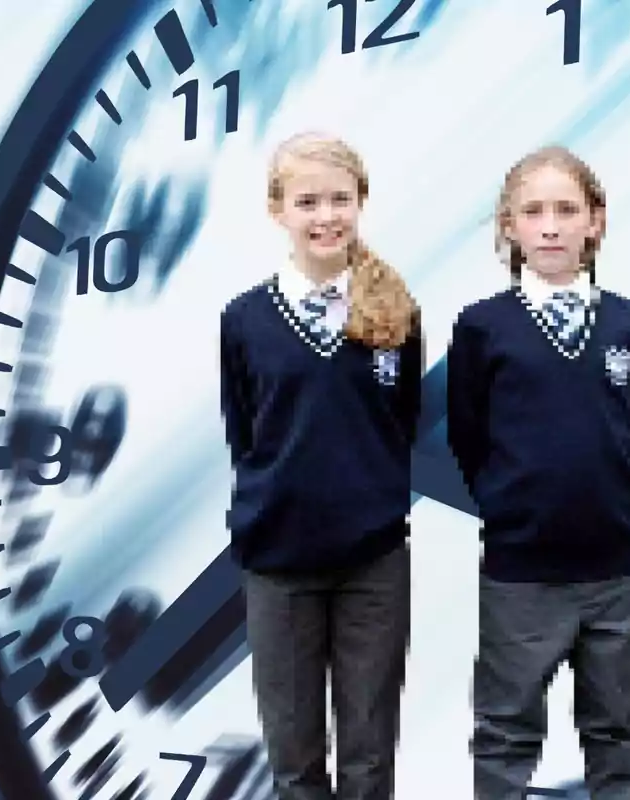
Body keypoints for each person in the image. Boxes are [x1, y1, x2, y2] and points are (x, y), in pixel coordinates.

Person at [446, 145, 630, 799]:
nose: (551, 225)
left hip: (612, 570)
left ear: (596, 222)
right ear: (509, 227)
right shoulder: (483, 328)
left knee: (615, 730)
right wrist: (515, 509)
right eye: (533, 211)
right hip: (522, 575)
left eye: (567, 210)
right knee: (506, 733)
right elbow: (467, 437)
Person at [218, 132, 422, 800]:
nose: (325, 214)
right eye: (307, 201)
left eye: (340, 198)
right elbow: (245, 433)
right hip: (279, 567)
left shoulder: (398, 314)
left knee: (369, 757)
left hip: (373, 564)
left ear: (361, 202)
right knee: (296, 761)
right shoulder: (244, 320)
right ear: (278, 211)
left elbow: (402, 423)